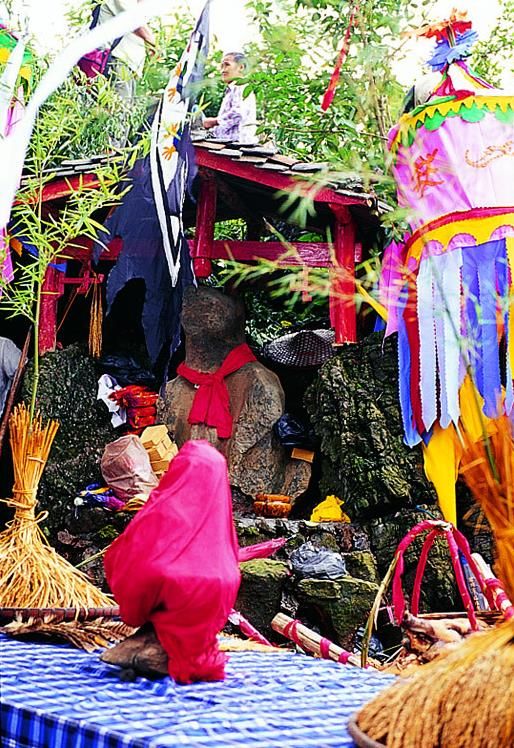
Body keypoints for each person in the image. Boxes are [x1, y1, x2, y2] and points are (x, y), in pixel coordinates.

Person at [104, 440, 241, 684]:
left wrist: (132, 609)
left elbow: (128, 553)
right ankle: (164, 645)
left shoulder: (164, 505)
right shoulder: (221, 516)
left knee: (135, 562)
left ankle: (157, 644)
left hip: (171, 588)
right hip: (219, 591)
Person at [97, 0, 156, 106]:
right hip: (116, 61)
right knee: (119, 109)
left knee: (126, 108)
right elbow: (132, 19)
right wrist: (152, 42)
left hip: (128, 65)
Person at [203, 52, 257, 144]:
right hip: (230, 143)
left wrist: (214, 121)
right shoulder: (232, 88)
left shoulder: (241, 86)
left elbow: (238, 113)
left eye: (227, 65)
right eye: (222, 66)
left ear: (241, 67)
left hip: (239, 144)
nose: (222, 70)